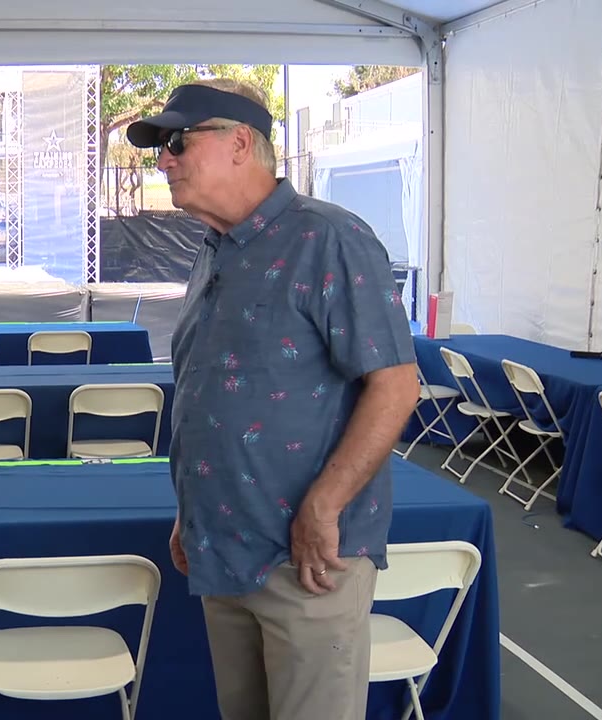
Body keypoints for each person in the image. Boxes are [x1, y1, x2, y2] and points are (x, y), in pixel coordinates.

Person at [126, 79, 420, 720]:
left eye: (178, 142)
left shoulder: (328, 239)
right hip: (223, 545)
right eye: (161, 148)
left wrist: (324, 505)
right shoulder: (214, 249)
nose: (164, 159)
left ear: (239, 143)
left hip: (307, 559)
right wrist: (192, 508)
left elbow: (396, 385)